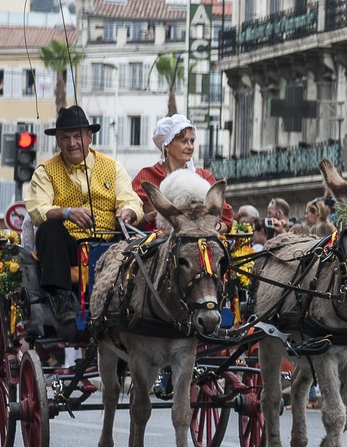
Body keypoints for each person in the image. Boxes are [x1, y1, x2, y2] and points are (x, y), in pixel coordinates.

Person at [26, 105, 144, 322]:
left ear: (89, 137)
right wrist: (66, 212)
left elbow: (131, 200)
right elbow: (38, 209)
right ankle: (62, 297)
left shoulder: (113, 167)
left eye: (77, 136)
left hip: (109, 245)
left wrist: (128, 212)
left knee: (140, 239)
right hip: (67, 248)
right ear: (58, 141)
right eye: (65, 138)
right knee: (48, 227)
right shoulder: (45, 171)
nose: (72, 143)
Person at [130, 115, 232, 233]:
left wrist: (210, 228)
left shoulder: (204, 176)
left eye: (192, 141)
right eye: (184, 141)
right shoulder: (147, 175)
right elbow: (130, 218)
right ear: (167, 146)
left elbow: (226, 220)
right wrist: (148, 218)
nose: (190, 146)